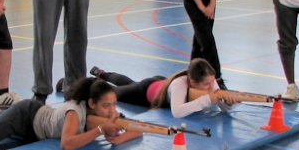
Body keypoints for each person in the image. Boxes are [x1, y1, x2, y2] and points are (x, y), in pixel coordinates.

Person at [0, 77, 142, 150]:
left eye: (114, 104)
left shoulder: (110, 114)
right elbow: (66, 145)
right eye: (106, 106)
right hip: (25, 118)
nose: (111, 110)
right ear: (92, 103)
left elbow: (138, 128)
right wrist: (100, 130)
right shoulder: (75, 111)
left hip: (34, 131)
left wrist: (119, 139)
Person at [89, 59, 238, 119]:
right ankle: (95, 80)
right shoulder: (179, 85)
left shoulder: (210, 82)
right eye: (207, 84)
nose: (212, 86)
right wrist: (206, 100)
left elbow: (224, 108)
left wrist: (228, 104)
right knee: (116, 93)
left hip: (159, 83)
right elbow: (177, 112)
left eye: (213, 82)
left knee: (129, 83)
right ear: (192, 82)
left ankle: (102, 73)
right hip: (146, 92)